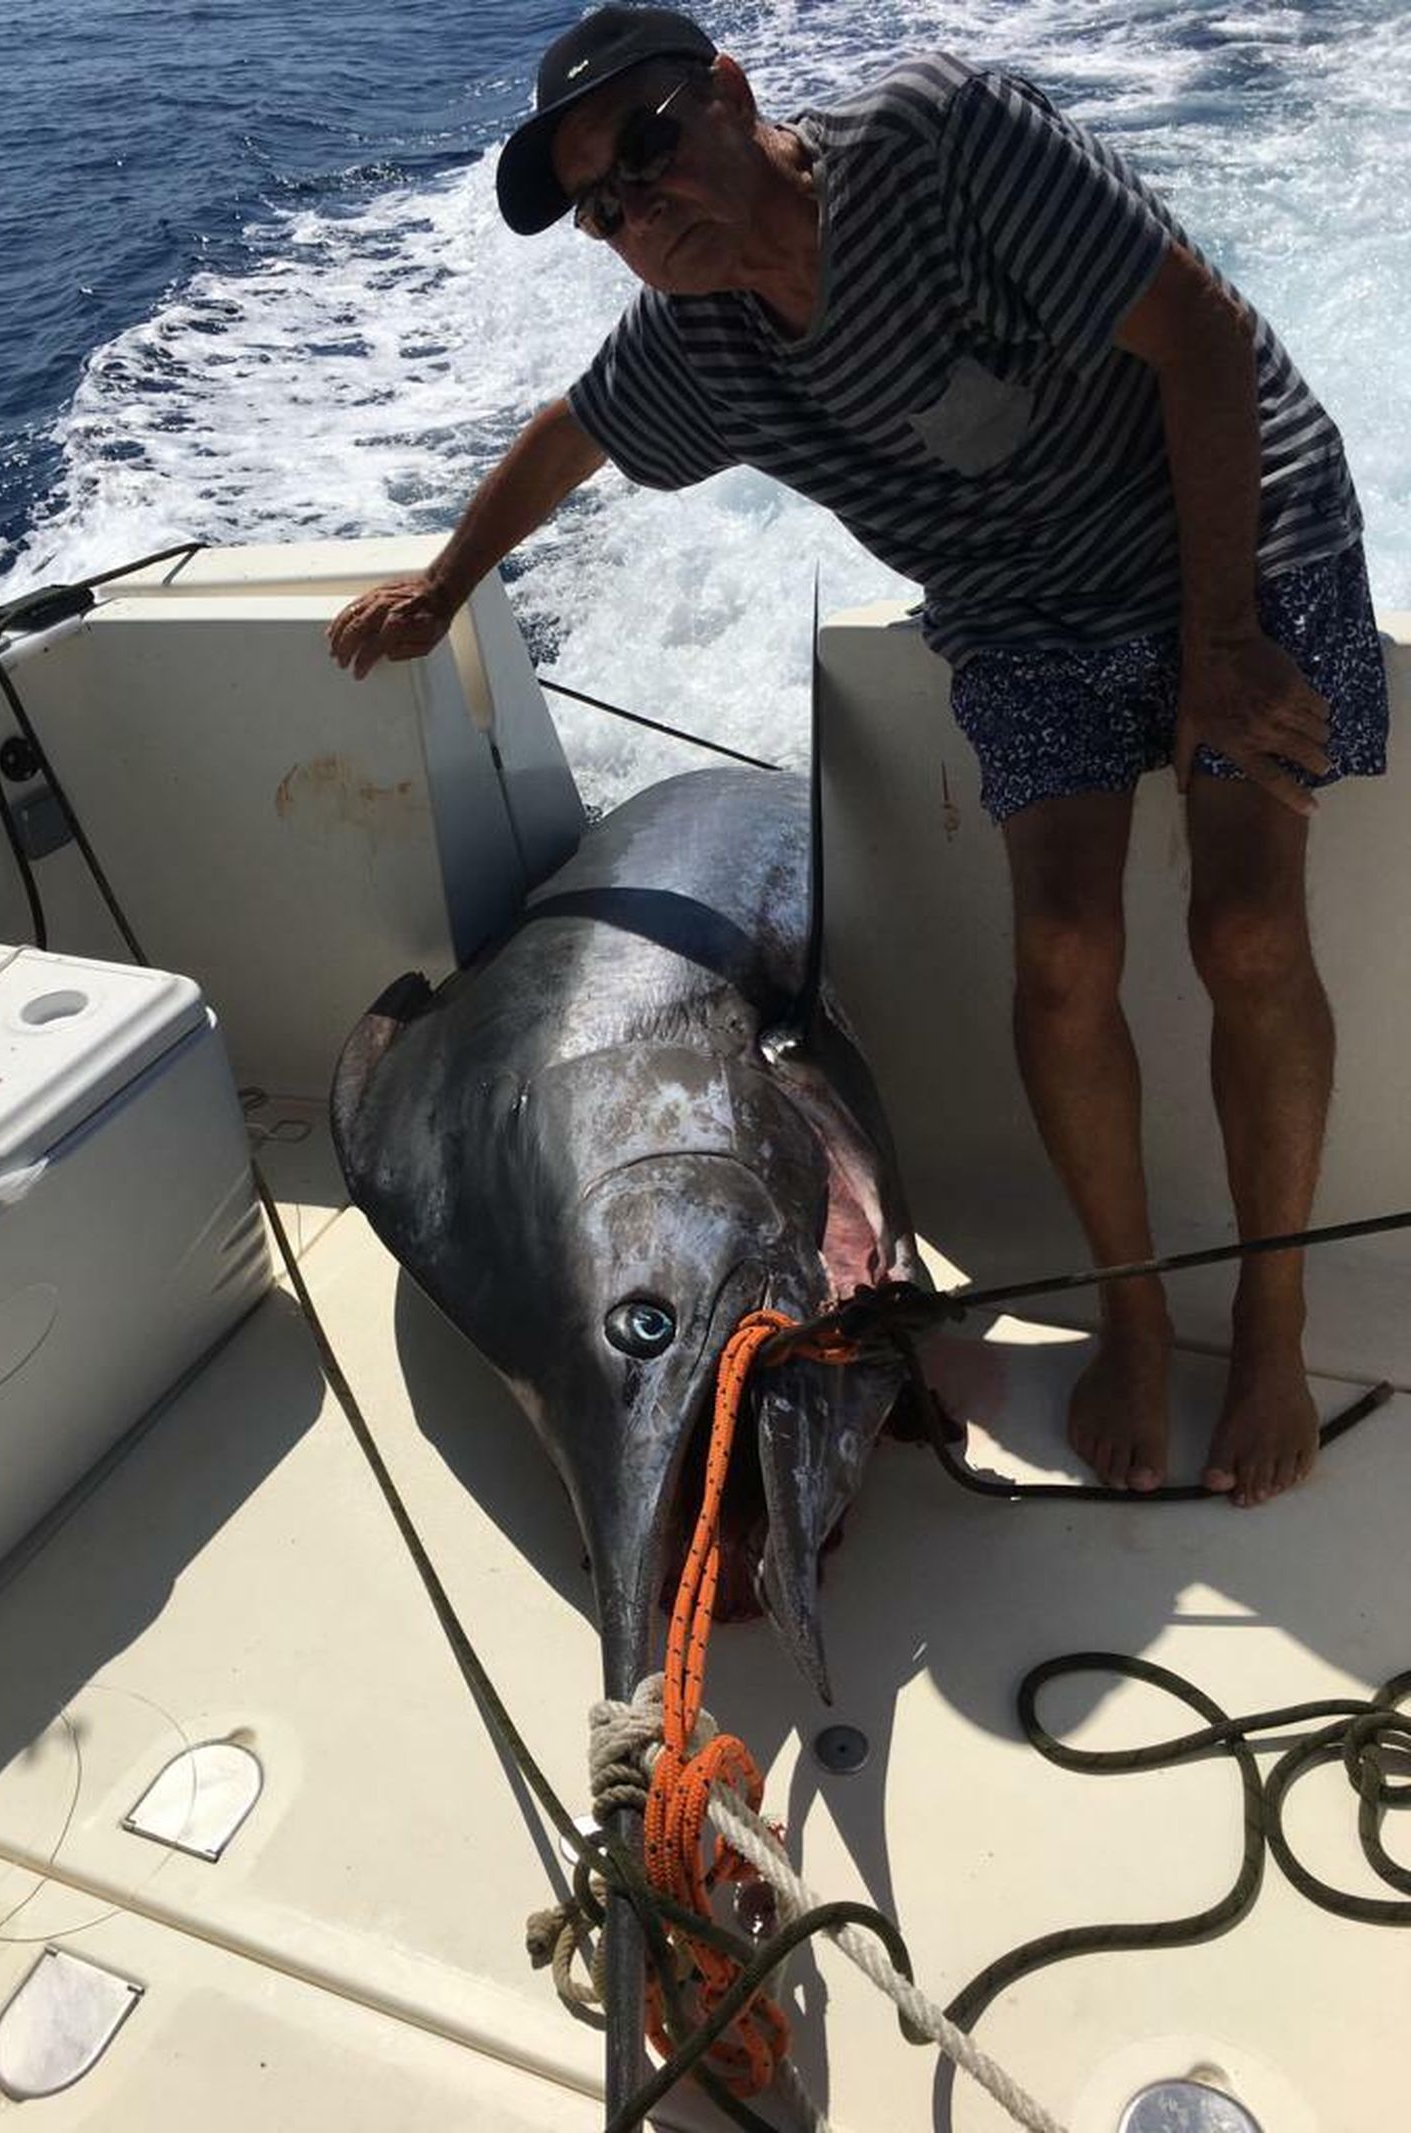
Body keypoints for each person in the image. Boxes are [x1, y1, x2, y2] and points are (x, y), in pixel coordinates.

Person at [327, 6, 1389, 1508]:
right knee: (1064, 963)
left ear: (732, 91)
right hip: (1030, 610)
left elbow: (1203, 340)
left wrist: (1219, 641)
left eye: (647, 144)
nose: (641, 205)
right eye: (602, 206)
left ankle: (1271, 1325)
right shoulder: (703, 347)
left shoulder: (942, 142)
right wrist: (443, 587)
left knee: (1245, 924)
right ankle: (1138, 1319)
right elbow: (573, 433)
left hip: (1233, 509)